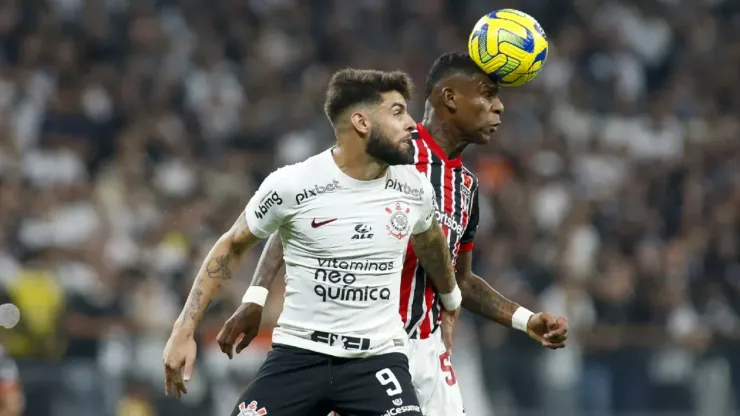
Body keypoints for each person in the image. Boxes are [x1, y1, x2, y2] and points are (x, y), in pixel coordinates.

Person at [216, 53, 570, 416]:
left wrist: (525, 320)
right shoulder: (389, 151)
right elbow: (300, 213)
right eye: (487, 95)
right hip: (360, 353)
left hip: (425, 352)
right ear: (449, 97)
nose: (499, 108)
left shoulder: (465, 186)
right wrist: (256, 295)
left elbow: (459, 278)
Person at [163, 68, 465, 416]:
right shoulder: (294, 184)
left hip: (377, 361)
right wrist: (184, 329)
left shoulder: (414, 188)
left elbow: (431, 242)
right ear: (361, 122)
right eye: (397, 112)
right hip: (299, 356)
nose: (412, 124)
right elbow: (231, 246)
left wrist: (450, 297)